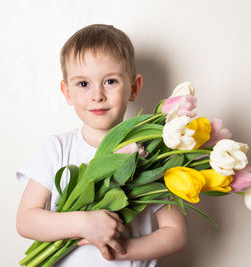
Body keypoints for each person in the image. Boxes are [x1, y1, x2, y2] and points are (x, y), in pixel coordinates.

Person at [16, 24, 187, 267]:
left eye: (110, 81)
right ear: (67, 92)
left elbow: (175, 233)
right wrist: (83, 223)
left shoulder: (150, 155)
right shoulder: (57, 149)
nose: (97, 95)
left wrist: (122, 250)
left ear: (134, 88)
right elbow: (26, 221)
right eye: (83, 84)